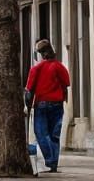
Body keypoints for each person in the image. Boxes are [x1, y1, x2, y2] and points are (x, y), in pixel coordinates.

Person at [24, 39, 70, 173]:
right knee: (54, 134)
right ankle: (53, 163)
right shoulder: (59, 67)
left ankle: (49, 160)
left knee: (41, 133)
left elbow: (29, 91)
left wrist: (28, 105)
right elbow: (65, 85)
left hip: (42, 104)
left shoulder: (36, 69)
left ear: (41, 54)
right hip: (57, 104)